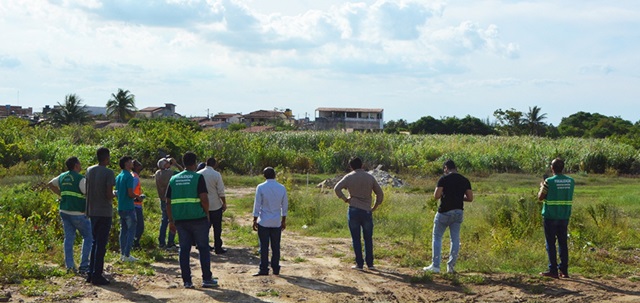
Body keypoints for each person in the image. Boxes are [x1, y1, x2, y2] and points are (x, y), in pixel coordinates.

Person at [166, 152, 217, 288]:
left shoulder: (173, 179)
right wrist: (207, 214)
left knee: (184, 250)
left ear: (183, 163)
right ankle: (206, 278)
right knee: (203, 248)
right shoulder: (198, 177)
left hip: (181, 220)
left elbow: (168, 202)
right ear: (195, 163)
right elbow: (204, 199)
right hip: (198, 219)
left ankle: (187, 281)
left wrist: (171, 221)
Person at [423, 159, 473, 274]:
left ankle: (435, 266)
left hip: (444, 211)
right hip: (458, 212)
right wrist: (459, 198)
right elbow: (470, 198)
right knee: (455, 239)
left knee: (437, 237)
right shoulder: (464, 180)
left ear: (446, 168)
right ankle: (451, 267)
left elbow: (436, 195)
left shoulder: (443, 179)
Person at [334, 157, 384, 271]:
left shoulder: (349, 177)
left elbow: (337, 188)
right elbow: (380, 194)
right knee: (368, 238)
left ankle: (359, 264)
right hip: (366, 210)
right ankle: (370, 263)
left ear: (351, 166)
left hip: (353, 209)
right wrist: (374, 207)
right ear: (362, 165)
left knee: (356, 238)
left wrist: (345, 199)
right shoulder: (370, 177)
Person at [47, 156, 93, 275]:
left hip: (64, 211)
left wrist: (61, 194)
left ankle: (70, 266)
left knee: (69, 238)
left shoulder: (62, 176)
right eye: (79, 163)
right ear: (76, 165)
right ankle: (84, 266)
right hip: (77, 212)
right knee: (88, 237)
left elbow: (50, 184)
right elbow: (87, 192)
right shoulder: (80, 178)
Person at [538, 158, 575, 279]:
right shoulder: (570, 181)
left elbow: (541, 197)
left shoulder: (549, 181)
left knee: (551, 243)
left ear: (552, 168)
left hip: (550, 215)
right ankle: (564, 271)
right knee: (563, 243)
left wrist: (541, 186)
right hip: (564, 215)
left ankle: (553, 269)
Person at [85, 147, 116, 285]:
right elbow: (109, 194)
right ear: (106, 158)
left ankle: (91, 273)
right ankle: (97, 275)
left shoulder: (89, 170)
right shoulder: (109, 173)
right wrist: (115, 194)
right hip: (104, 211)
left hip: (92, 210)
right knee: (101, 245)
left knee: (94, 242)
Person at [252, 167, 288, 276]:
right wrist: (283, 220)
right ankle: (275, 268)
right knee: (276, 246)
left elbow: (257, 204)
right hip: (276, 221)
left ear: (264, 176)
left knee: (264, 246)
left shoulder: (261, 187)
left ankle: (264, 268)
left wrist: (254, 219)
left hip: (264, 221)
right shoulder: (281, 188)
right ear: (275, 175)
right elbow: (285, 205)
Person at [197, 157, 228, 254]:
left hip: (202, 205)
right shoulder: (216, 174)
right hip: (215, 205)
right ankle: (217, 247)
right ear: (214, 164)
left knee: (204, 227)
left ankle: (203, 245)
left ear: (206, 163)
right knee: (217, 228)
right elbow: (221, 191)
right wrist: (224, 203)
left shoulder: (198, 174)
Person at [115, 156, 139, 262]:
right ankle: (127, 254)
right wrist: (138, 196)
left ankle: (122, 254)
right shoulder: (129, 176)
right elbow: (130, 193)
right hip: (129, 207)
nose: (132, 163)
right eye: (130, 162)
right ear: (126, 164)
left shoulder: (119, 176)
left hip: (120, 206)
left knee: (123, 230)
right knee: (131, 230)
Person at [155, 156, 182, 249]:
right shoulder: (171, 173)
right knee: (172, 220)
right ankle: (170, 242)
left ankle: (161, 242)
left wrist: (168, 164)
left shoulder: (157, 173)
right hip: (171, 200)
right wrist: (175, 163)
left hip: (162, 199)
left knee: (164, 221)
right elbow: (183, 172)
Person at [132, 160, 145, 249]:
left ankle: (135, 243)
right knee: (140, 226)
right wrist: (137, 197)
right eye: (139, 166)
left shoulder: (133, 176)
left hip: (136, 204)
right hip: (135, 205)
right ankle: (135, 243)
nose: (141, 167)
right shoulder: (135, 177)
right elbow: (131, 191)